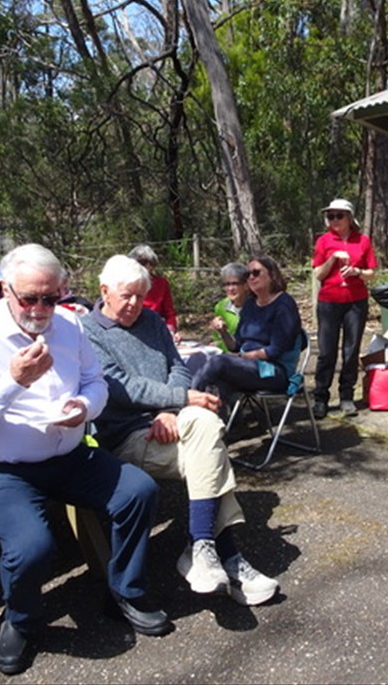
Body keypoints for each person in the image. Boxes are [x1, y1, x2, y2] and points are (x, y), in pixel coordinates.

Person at [0, 244, 170, 676]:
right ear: (4, 290)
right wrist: (12, 382)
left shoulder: (69, 325)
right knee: (32, 548)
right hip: (4, 467)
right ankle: (21, 620)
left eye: (52, 297)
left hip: (69, 455)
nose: (41, 308)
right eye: (30, 297)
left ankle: (125, 592)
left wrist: (85, 407)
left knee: (139, 492)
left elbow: (95, 382)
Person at [82, 254, 280, 606]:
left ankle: (201, 546)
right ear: (104, 291)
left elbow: (179, 367)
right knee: (211, 455)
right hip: (128, 434)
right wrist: (176, 399)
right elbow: (119, 387)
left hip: (173, 419)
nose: (135, 304)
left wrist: (171, 408)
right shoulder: (88, 333)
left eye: (141, 297)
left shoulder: (152, 321)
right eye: (127, 296)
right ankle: (229, 558)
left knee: (205, 422)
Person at [192, 255, 302, 408]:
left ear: (271, 275)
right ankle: (215, 428)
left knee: (219, 362)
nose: (250, 277)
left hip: (273, 370)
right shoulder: (250, 304)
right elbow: (236, 345)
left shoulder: (284, 304)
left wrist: (242, 357)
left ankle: (186, 403)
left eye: (256, 273)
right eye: (247, 275)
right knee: (217, 386)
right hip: (248, 366)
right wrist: (223, 332)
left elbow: (275, 351)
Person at [310, 198, 377, 419]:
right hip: (329, 302)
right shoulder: (323, 241)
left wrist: (357, 272)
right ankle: (321, 397)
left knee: (351, 350)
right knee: (327, 352)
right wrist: (332, 258)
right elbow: (318, 274)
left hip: (355, 302)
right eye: (330, 216)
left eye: (339, 215)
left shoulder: (363, 241)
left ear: (349, 217)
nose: (334, 220)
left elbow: (372, 273)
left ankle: (346, 397)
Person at [129, 244, 179, 341]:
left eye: (142, 262)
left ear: (151, 265)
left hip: (157, 329)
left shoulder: (162, 284)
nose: (138, 266)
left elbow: (170, 313)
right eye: (135, 262)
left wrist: (171, 331)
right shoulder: (126, 283)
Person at [210, 262, 250, 352]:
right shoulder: (220, 307)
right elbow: (217, 341)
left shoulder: (256, 307)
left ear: (246, 285)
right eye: (226, 284)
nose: (230, 289)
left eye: (234, 284)